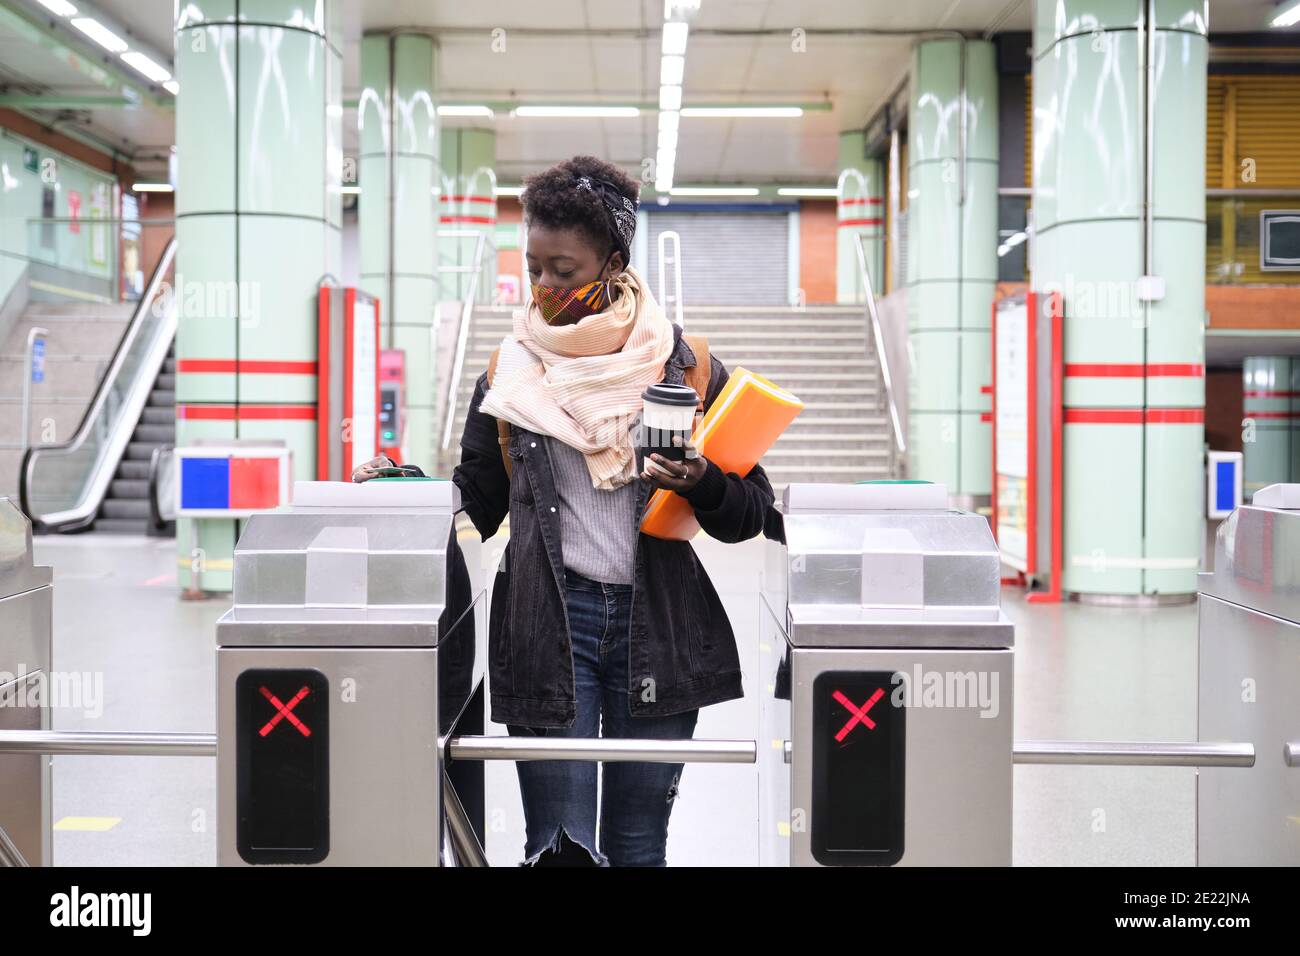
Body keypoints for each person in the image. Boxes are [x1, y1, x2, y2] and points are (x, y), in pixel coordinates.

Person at [354, 155, 781, 866]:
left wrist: (702, 479)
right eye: (535, 268)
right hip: (549, 630)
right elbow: (480, 503)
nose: (546, 287)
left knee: (639, 846)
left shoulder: (686, 368)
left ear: (613, 261)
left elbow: (749, 514)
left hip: (661, 629)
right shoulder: (510, 371)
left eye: (564, 268)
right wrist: (407, 487)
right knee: (559, 848)